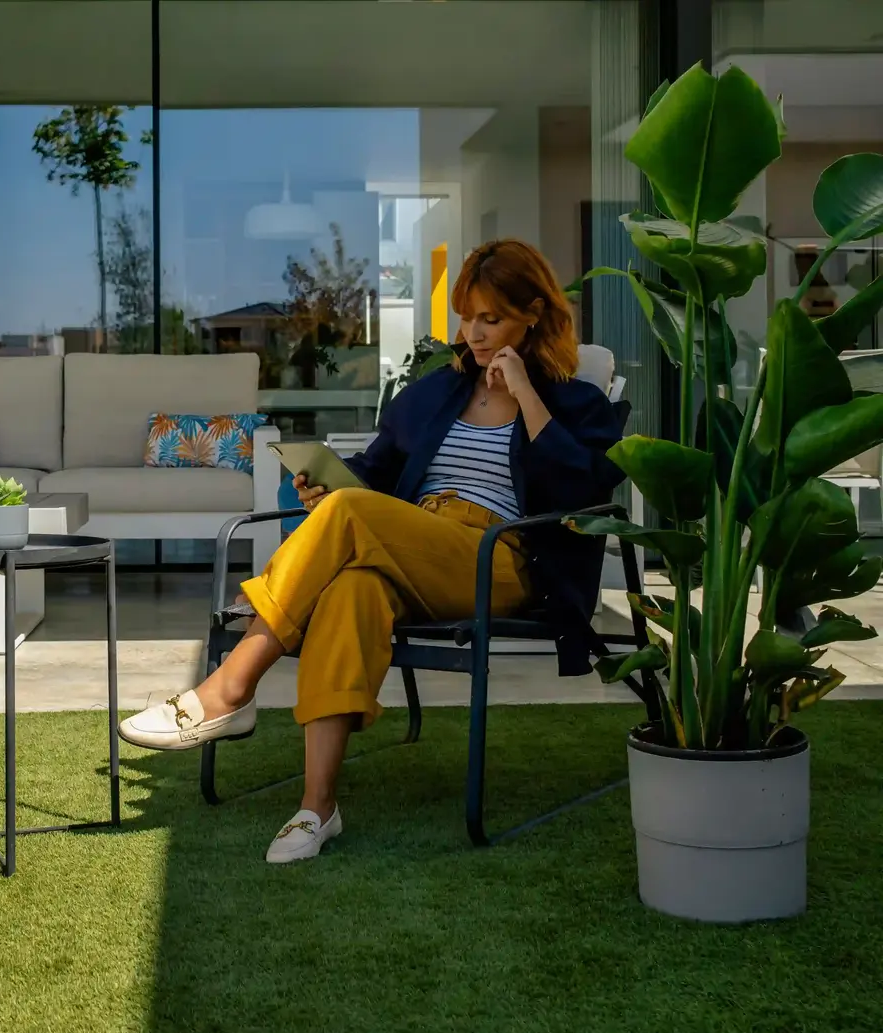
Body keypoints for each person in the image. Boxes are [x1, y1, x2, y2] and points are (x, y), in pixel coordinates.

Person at [118, 239, 625, 863]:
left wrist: (524, 391)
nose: (474, 333)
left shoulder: (575, 400)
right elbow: (375, 470)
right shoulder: (438, 392)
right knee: (354, 587)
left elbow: (583, 488)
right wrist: (328, 480)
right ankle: (316, 808)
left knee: (352, 515)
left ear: (535, 314)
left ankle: (232, 686)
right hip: (414, 540)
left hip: (502, 557)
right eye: (467, 317)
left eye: (491, 318)